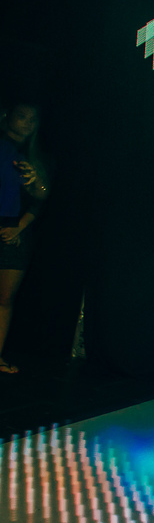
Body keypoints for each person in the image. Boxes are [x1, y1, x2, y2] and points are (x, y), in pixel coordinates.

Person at [0, 102, 49, 374]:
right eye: (22, 116)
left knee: (5, 297)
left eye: (33, 118)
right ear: (8, 116)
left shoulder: (36, 156)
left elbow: (41, 195)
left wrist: (18, 228)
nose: (28, 123)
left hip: (16, 231)